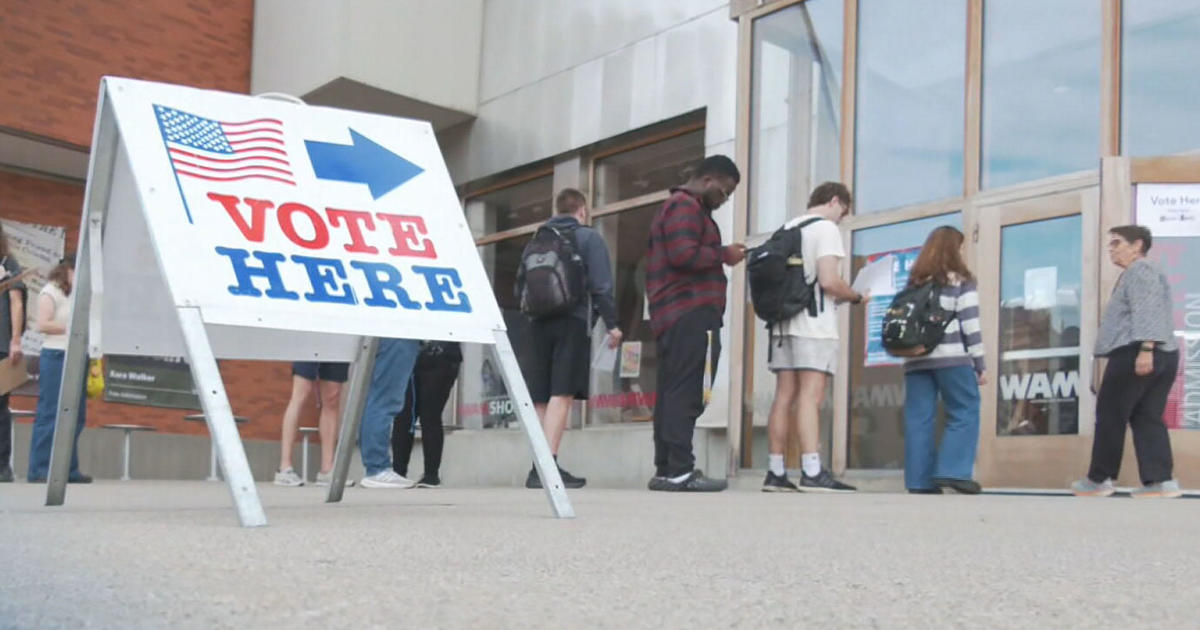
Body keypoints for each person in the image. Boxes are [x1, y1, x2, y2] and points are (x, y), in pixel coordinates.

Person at [646, 155, 745, 492]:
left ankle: (666, 470)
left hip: (675, 314)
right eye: (725, 190)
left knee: (673, 392)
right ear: (708, 181)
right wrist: (723, 254)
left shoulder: (677, 207)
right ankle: (680, 470)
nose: (725, 198)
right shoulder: (685, 207)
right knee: (688, 392)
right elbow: (683, 254)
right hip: (691, 311)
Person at [517, 188, 622, 489]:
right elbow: (602, 286)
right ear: (582, 211)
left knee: (540, 396)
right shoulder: (588, 238)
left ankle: (538, 465)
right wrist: (612, 324)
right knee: (561, 393)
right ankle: (547, 467)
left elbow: (519, 286)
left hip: (536, 323)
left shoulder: (535, 241)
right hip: (572, 321)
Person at [760, 182, 861, 493]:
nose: (841, 220)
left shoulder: (788, 227)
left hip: (783, 324)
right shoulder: (826, 229)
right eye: (843, 213)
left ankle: (776, 472)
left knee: (784, 395)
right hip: (814, 325)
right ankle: (812, 470)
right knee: (810, 396)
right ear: (834, 201)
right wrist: (855, 296)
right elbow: (829, 281)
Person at [1073, 225, 1182, 499]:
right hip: (1161, 352)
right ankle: (1160, 481)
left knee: (1111, 414)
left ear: (1137, 246)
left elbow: (1147, 310)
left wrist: (1145, 348)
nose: (1111, 249)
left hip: (1138, 350)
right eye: (1110, 244)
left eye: (1117, 243)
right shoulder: (1146, 271)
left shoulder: (1140, 270)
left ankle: (1099, 479)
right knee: (1147, 416)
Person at [899, 226, 986, 495]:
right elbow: (970, 325)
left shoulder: (914, 283)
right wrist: (980, 365)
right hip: (952, 359)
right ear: (954, 250)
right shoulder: (960, 281)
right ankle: (953, 471)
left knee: (918, 418)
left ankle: (919, 481)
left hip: (916, 360)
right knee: (965, 409)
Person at [26, 255, 90, 483]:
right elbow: (43, 324)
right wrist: (73, 327)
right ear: (68, 270)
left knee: (76, 414)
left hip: (78, 355)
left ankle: (68, 469)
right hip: (56, 355)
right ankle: (40, 468)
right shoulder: (50, 291)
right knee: (50, 412)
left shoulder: (81, 293)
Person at [391, 340, 461, 487]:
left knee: (427, 416)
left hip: (439, 354)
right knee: (406, 416)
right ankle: (401, 473)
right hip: (420, 354)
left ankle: (429, 474)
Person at [359, 337, 422, 488]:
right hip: (399, 333)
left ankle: (376, 466)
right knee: (385, 400)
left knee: (380, 398)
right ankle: (377, 467)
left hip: (392, 334)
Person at [273, 361, 349, 486]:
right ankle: (284, 468)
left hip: (337, 344)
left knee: (333, 397)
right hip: (310, 344)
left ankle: (327, 470)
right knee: (301, 391)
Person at [0, 223, 26, 482]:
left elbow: (16, 302)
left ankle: (2, 466)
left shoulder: (8, 263)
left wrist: (15, 340)